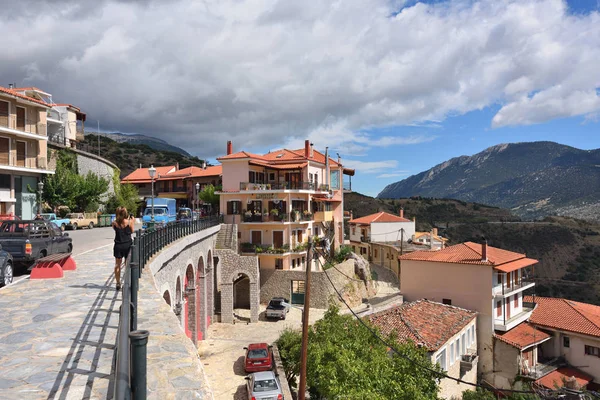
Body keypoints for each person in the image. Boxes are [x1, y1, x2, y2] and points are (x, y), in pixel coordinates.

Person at [112, 206, 134, 291]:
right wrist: (132, 221)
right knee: (127, 264)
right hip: (127, 245)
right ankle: (127, 282)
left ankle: (118, 282)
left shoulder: (114, 223)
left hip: (118, 245)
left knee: (117, 264)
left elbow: (115, 229)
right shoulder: (129, 222)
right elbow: (131, 231)